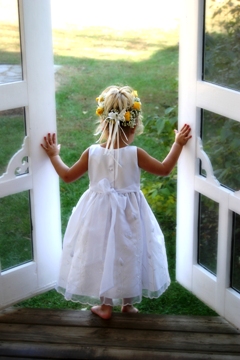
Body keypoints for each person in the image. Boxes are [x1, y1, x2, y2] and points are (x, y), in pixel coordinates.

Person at [41, 85, 191, 320]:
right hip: (130, 213)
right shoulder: (136, 153)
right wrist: (178, 144)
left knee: (103, 252)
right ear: (134, 126)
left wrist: (53, 155)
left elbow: (68, 176)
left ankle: (105, 306)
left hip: (97, 214)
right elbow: (164, 169)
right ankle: (128, 304)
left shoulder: (91, 153)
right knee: (129, 250)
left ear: (103, 123)